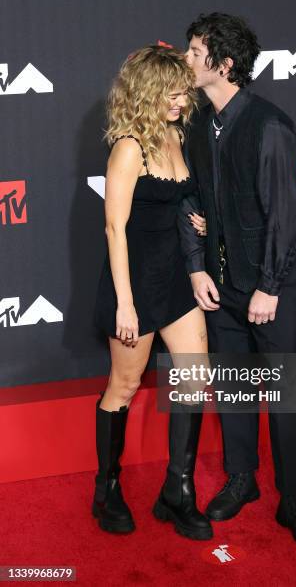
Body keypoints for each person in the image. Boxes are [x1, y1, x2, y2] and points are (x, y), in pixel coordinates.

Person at [182, 13, 296, 548]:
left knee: (285, 392)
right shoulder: (199, 123)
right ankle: (241, 478)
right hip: (222, 284)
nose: (188, 58)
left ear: (224, 64)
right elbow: (193, 199)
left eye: (197, 51)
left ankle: (293, 498)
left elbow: (286, 215)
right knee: (238, 387)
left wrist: (269, 286)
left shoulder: (269, 125)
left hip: (274, 283)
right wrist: (197, 264)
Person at [92, 45, 212, 540]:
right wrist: (124, 302)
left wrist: (194, 225)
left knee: (194, 376)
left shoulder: (173, 133)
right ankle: (107, 488)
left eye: (184, 91)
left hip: (175, 283)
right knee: (124, 387)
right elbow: (114, 229)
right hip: (135, 286)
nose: (182, 99)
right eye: (173, 92)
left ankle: (177, 491)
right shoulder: (128, 146)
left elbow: (178, 200)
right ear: (147, 92)